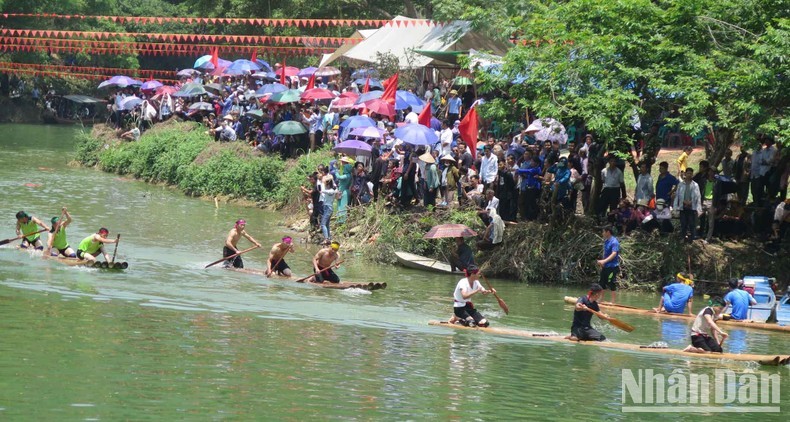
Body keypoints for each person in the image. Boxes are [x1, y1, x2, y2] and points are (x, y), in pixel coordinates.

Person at [673, 168, 702, 242]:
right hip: (683, 206)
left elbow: (698, 197)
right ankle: (682, 237)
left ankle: (692, 239)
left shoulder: (695, 185)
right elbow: (677, 196)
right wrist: (676, 207)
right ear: (685, 174)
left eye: (690, 173)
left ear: (692, 174)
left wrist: (695, 205)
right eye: (688, 173)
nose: (689, 175)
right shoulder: (680, 184)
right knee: (683, 223)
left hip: (692, 207)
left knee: (692, 224)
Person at [596, 226, 620, 303]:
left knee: (611, 282)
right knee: (602, 282)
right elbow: (605, 253)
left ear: (608, 232)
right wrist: (603, 262)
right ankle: (601, 299)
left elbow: (614, 254)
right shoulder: (606, 241)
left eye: (603, 232)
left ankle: (612, 302)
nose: (602, 233)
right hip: (605, 266)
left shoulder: (614, 242)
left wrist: (604, 261)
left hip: (612, 267)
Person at [319, 175, 337, 241]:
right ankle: (328, 238)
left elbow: (328, 192)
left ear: (328, 184)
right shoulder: (331, 189)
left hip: (328, 208)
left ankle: (326, 239)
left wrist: (322, 191)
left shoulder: (331, 190)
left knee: (323, 224)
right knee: (326, 224)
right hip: (327, 208)